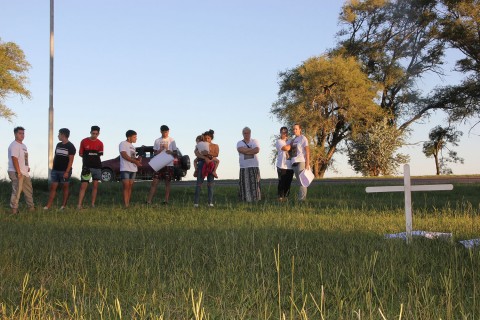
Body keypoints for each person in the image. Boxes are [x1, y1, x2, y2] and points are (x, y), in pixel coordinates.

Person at [44, 128, 76, 210]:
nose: (58, 136)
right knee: (53, 187)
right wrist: (53, 168)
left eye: (59, 134)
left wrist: (67, 172)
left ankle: (63, 206)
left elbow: (71, 160)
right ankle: (48, 206)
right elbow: (56, 157)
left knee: (65, 187)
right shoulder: (58, 145)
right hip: (55, 170)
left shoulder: (71, 146)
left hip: (64, 171)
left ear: (63, 135)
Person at [147, 125, 177, 205]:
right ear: (161, 131)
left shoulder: (172, 140)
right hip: (159, 162)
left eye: (167, 132)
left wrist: (170, 152)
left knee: (167, 182)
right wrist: (159, 151)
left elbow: (175, 152)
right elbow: (154, 152)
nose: (166, 133)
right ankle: (149, 201)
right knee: (154, 182)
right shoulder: (157, 140)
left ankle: (166, 201)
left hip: (169, 163)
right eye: (164, 132)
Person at [7, 126, 34, 214]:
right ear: (15, 134)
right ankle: (14, 210)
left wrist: (27, 167)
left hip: (24, 172)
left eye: (23, 133)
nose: (22, 135)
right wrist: (18, 172)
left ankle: (31, 208)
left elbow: (25, 158)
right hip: (16, 172)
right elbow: (14, 158)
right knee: (17, 191)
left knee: (28, 191)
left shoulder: (23, 146)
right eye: (20, 133)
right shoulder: (14, 145)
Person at [77, 125, 104, 209]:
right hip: (87, 167)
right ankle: (79, 205)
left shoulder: (100, 143)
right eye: (93, 133)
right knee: (83, 186)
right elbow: (81, 153)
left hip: (97, 167)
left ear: (98, 134)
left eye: (96, 134)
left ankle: (92, 204)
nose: (94, 135)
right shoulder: (84, 141)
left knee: (95, 186)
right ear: (90, 132)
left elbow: (100, 154)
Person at [194, 129, 219, 207]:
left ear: (211, 138)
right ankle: (196, 203)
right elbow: (196, 153)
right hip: (202, 163)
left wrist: (208, 154)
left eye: (208, 138)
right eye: (205, 138)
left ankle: (210, 202)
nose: (207, 140)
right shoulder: (201, 144)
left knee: (210, 184)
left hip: (211, 164)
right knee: (199, 183)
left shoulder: (215, 145)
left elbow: (216, 154)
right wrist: (204, 158)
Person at [237, 127, 261, 202]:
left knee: (255, 183)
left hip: (254, 165)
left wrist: (246, 151)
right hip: (244, 166)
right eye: (245, 133)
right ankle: (246, 199)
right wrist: (251, 150)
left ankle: (256, 199)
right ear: (242, 134)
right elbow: (240, 149)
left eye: (247, 133)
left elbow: (257, 150)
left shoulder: (254, 141)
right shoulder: (239, 143)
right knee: (245, 184)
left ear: (250, 133)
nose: (246, 134)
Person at [119, 130, 142, 208]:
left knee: (130, 186)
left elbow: (132, 157)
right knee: (126, 186)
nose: (136, 138)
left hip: (133, 169)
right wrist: (135, 161)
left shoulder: (133, 147)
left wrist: (138, 159)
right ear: (129, 137)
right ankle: (126, 205)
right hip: (125, 168)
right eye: (134, 137)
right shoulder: (123, 144)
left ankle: (128, 203)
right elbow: (124, 155)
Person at [289, 123, 310, 201]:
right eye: (293, 129)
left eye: (296, 129)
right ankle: (301, 198)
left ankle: (301, 200)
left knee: (302, 182)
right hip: (294, 162)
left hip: (301, 162)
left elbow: (307, 151)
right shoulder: (294, 140)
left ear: (300, 129)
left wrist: (307, 164)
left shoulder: (303, 138)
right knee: (299, 182)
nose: (294, 130)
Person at [276, 126, 294, 201]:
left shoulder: (290, 140)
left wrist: (291, 143)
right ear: (280, 133)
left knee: (288, 182)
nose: (285, 133)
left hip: (290, 165)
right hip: (282, 165)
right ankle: (280, 197)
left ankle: (286, 197)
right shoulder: (279, 141)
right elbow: (286, 148)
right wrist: (292, 144)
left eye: (286, 132)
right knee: (282, 182)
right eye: (283, 132)